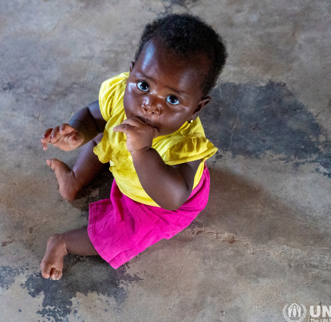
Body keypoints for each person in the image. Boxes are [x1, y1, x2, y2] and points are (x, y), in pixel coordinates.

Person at [40, 13, 227, 280]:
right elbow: (93, 115)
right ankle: (73, 180)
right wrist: (78, 132)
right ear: (131, 73)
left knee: (122, 236)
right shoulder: (121, 96)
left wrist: (142, 151)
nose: (150, 104)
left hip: (153, 202)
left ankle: (62, 243)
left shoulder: (186, 145)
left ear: (196, 109)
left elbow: (173, 198)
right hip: (123, 166)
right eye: (143, 85)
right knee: (103, 136)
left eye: (172, 99)